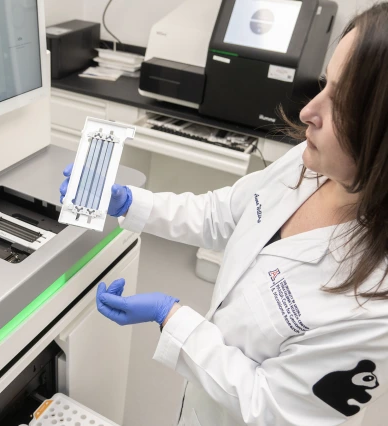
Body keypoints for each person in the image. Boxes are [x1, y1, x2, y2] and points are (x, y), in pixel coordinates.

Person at [59, 4, 388, 425]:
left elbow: (272, 409)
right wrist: (131, 202)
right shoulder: (310, 166)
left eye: (340, 101)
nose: (308, 111)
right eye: (325, 83)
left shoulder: (374, 305)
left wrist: (172, 317)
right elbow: (222, 214)